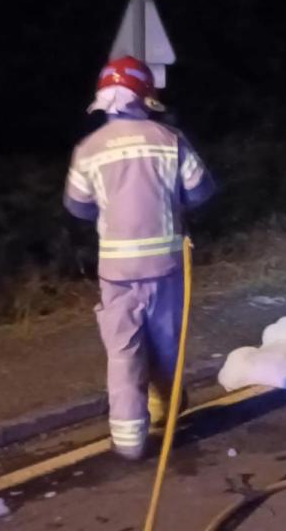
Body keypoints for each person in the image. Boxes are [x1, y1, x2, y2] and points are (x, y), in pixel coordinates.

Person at [64, 56, 215, 459]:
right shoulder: (169, 140)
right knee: (166, 343)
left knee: (122, 348)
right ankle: (167, 413)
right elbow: (201, 191)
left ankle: (129, 442)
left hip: (115, 271)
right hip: (164, 266)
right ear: (145, 95)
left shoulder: (88, 149)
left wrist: (109, 209)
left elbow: (77, 206)